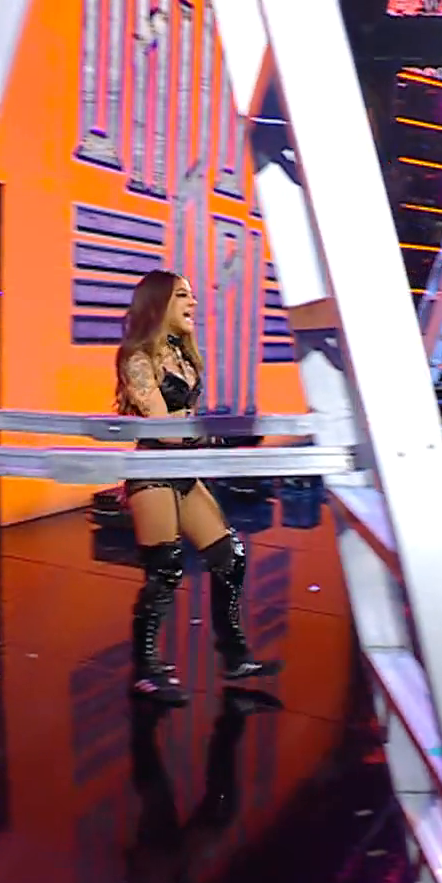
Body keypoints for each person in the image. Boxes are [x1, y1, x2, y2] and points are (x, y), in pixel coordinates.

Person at [115, 270, 281, 706]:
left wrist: (217, 432)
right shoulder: (137, 357)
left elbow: (187, 423)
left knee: (230, 556)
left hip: (184, 470)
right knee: (165, 571)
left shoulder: (184, 356)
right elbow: (162, 428)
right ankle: (146, 671)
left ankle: (234, 655)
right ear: (159, 303)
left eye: (192, 295)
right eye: (182, 296)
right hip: (153, 470)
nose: (193, 303)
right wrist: (217, 433)